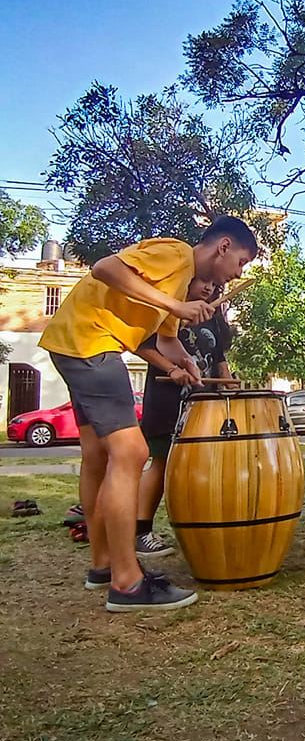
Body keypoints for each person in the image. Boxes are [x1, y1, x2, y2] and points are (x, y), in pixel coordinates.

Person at [38, 216, 259, 611]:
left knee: (97, 456)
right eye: (241, 262)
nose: (238, 272)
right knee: (132, 454)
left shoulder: (179, 283)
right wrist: (175, 303)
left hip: (74, 340)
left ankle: (104, 565)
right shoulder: (176, 255)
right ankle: (127, 583)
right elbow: (104, 268)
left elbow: (167, 339)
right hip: (91, 342)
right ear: (223, 246)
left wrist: (187, 363)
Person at [134, 278, 236, 559]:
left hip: (204, 403)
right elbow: (142, 345)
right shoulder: (168, 308)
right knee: (162, 461)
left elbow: (218, 354)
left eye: (213, 286)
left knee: (204, 464)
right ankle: (140, 532)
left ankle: (200, 527)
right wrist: (172, 368)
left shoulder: (211, 315)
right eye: (203, 281)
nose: (209, 288)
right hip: (168, 400)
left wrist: (226, 379)